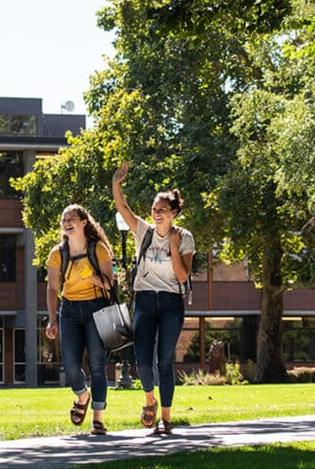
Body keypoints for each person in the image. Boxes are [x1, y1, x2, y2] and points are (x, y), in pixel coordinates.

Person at [113, 161, 196, 435]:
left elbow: (182, 276)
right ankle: (149, 400)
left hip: (172, 303)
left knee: (165, 361)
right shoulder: (143, 231)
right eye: (153, 209)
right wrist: (116, 183)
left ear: (173, 212)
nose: (156, 214)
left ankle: (166, 418)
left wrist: (173, 247)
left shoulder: (184, 238)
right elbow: (123, 209)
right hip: (146, 301)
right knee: (143, 360)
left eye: (162, 210)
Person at [45, 204, 115, 435]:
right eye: (64, 219)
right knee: (71, 363)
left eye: (71, 219)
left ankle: (98, 418)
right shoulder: (57, 254)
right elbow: (53, 287)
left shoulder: (99, 249)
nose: (66, 223)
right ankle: (82, 395)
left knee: (97, 364)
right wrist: (52, 318)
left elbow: (109, 285)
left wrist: (91, 276)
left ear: (84, 222)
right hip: (70, 310)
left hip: (97, 309)